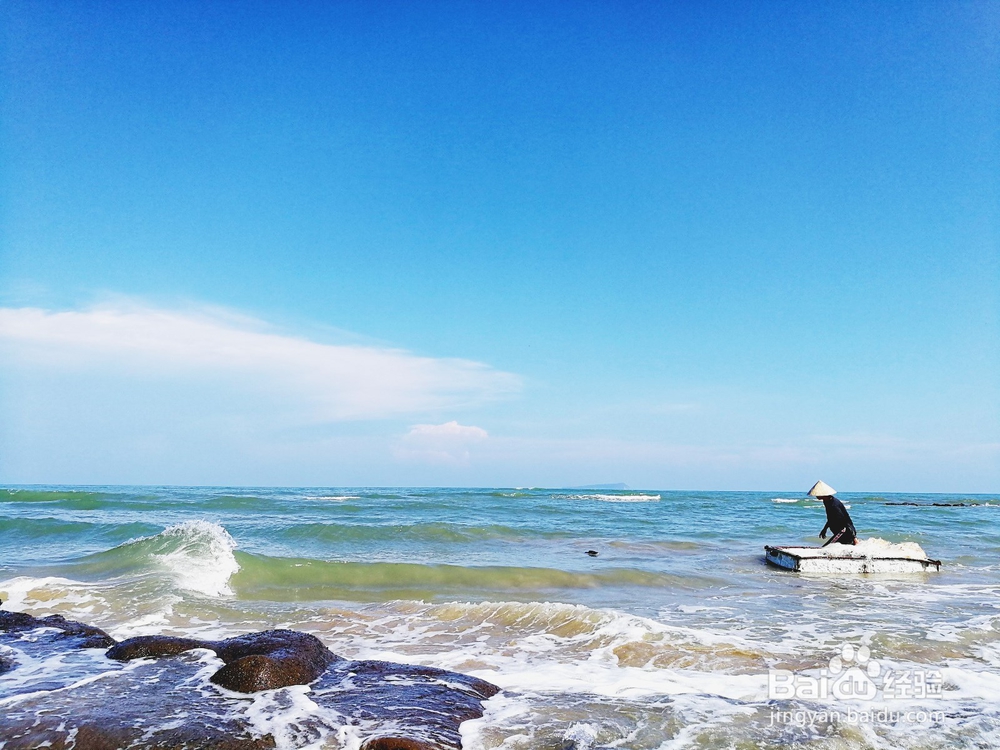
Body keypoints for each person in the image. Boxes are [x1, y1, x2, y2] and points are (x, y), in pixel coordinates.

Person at [808, 480, 857, 546]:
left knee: (826, 547)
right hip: (838, 531)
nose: (816, 495)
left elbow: (843, 519)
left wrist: (853, 537)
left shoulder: (834, 505)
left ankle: (853, 541)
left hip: (844, 531)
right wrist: (824, 529)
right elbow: (830, 518)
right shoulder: (826, 501)